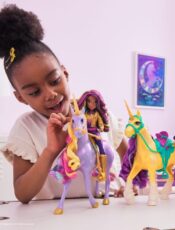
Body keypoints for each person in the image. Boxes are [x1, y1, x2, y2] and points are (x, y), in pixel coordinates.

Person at [0, 4, 128, 203]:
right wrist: (51, 150)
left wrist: (130, 183)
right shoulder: (26, 128)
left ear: (65, 73)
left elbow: (132, 160)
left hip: (106, 211)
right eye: (35, 92)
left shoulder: (100, 113)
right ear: (20, 98)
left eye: (54, 81)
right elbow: (22, 194)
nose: (50, 94)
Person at [77, 90, 110, 181]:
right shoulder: (84, 113)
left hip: (95, 133)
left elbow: (101, 124)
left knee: (101, 147)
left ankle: (102, 170)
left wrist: (101, 127)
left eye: (95, 102)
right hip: (85, 133)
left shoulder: (97, 114)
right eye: (89, 101)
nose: (92, 104)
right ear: (85, 102)